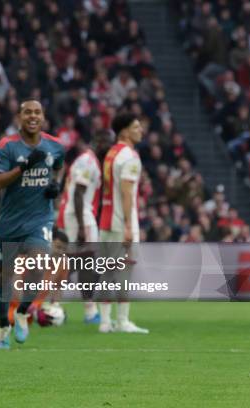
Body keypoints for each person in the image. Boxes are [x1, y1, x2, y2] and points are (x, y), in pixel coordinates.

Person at [0, 99, 65, 349]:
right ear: (19, 117)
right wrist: (24, 167)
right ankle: (3, 326)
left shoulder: (55, 146)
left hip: (40, 219)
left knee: (38, 264)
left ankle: (22, 311)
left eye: (37, 112)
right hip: (11, 222)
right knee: (6, 276)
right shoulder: (8, 146)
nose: (33, 116)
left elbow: (58, 169)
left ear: (43, 117)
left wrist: (56, 186)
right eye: (27, 112)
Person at [97, 113, 149, 334]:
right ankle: (123, 321)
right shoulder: (129, 156)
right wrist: (129, 225)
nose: (141, 130)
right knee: (124, 272)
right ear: (125, 131)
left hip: (106, 219)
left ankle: (105, 322)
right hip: (121, 221)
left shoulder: (111, 153)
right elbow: (127, 192)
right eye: (136, 127)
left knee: (107, 272)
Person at [56, 130, 113, 323]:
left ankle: (86, 310)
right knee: (87, 263)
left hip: (75, 215)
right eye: (108, 144)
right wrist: (81, 226)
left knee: (79, 263)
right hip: (80, 217)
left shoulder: (89, 161)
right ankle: (48, 303)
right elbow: (78, 194)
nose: (110, 149)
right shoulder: (89, 162)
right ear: (99, 142)